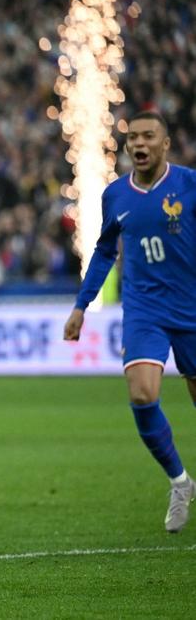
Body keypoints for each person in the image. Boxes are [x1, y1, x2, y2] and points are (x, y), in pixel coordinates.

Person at [64, 111, 196, 533]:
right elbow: (105, 252)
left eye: (148, 136)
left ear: (165, 144)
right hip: (145, 310)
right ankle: (180, 482)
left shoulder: (189, 186)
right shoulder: (115, 195)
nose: (139, 144)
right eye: (133, 137)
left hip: (192, 307)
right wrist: (82, 305)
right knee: (142, 395)